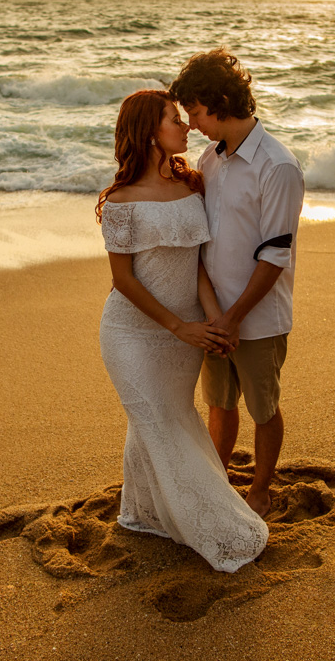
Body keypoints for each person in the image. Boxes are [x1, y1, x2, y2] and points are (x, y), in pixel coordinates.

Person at [96, 89, 268, 573]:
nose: (186, 126)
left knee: (159, 418)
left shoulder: (193, 185)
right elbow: (123, 281)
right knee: (160, 421)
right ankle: (218, 525)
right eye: (175, 119)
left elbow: (195, 265)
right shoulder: (121, 202)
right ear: (151, 131)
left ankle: (144, 512)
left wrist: (213, 321)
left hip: (188, 332)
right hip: (133, 334)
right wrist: (180, 327)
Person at [169, 49, 305, 518]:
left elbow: (274, 255)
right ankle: (216, 478)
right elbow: (204, 243)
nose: (193, 123)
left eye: (197, 111)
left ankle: (262, 489)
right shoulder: (210, 158)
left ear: (221, 101)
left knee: (263, 407)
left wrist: (234, 317)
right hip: (212, 315)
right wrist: (212, 315)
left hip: (259, 318)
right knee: (220, 404)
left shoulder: (278, 166)